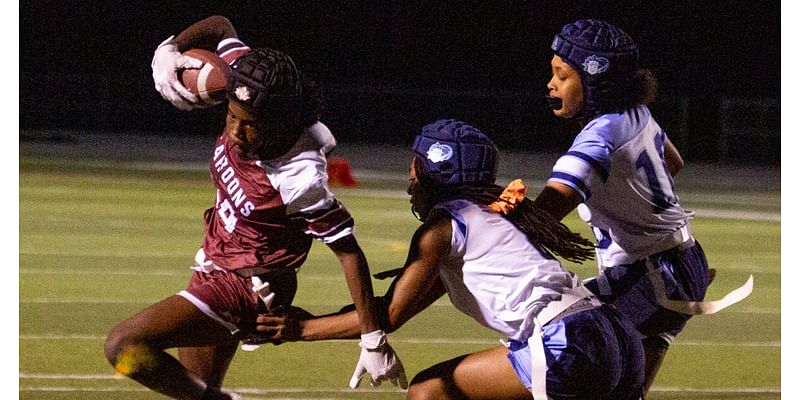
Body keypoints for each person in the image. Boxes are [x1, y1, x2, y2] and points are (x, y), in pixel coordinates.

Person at [103, 15, 406, 400]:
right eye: (231, 116)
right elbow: (221, 26)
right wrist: (170, 49)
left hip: (247, 288)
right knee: (191, 389)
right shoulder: (247, 78)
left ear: (279, 125)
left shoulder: (300, 176)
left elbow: (348, 252)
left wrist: (372, 336)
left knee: (123, 347)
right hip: (215, 264)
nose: (234, 131)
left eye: (249, 125)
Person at [256, 119, 645, 400]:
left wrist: (296, 330)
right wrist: (308, 322)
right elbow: (387, 309)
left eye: (416, 174)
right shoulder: (485, 219)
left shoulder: (443, 227)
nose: (410, 186)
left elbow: (389, 316)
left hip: (566, 343)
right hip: (615, 336)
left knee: (429, 392)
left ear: (438, 174)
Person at [534, 18, 751, 398]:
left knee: (547, 334)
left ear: (594, 79)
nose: (551, 84)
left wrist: (493, 210)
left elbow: (544, 215)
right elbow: (674, 162)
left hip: (651, 275)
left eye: (562, 74)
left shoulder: (598, 138)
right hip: (679, 264)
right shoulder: (635, 112)